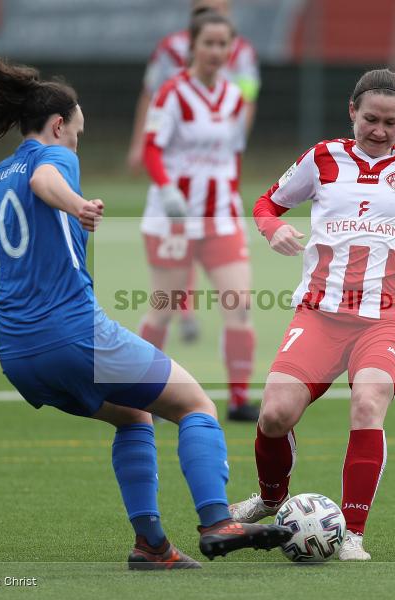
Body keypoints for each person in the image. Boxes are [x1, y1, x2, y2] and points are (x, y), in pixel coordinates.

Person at [0, 42, 290, 570]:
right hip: (73, 335)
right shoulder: (51, 158)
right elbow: (45, 179)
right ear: (58, 125)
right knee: (195, 404)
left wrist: (8, 284)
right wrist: (76, 203)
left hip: (17, 354)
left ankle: (151, 546)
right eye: (77, 129)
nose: (78, 138)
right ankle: (218, 519)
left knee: (133, 417)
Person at [228, 68, 395, 560]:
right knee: (274, 415)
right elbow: (267, 203)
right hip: (321, 313)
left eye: (390, 123)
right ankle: (272, 499)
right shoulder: (322, 158)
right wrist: (273, 231)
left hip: (388, 317)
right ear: (352, 112)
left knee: (367, 403)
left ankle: (352, 533)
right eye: (370, 119)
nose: (379, 130)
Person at [139, 10, 259, 422]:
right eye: (207, 43)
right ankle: (142, 395)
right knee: (163, 308)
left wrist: (234, 196)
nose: (215, 51)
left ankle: (240, 399)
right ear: (192, 46)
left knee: (239, 304)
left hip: (221, 218)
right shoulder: (171, 93)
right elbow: (152, 147)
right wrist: (167, 188)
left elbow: (233, 155)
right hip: (173, 219)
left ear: (231, 49)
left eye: (222, 44)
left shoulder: (234, 97)